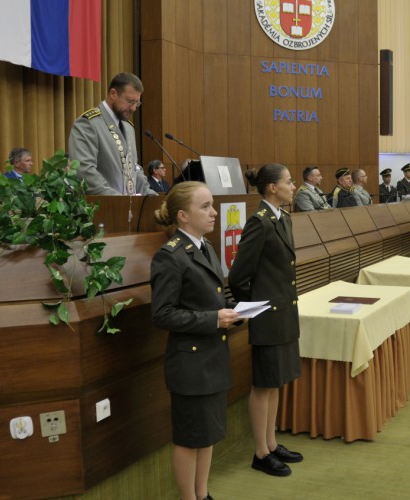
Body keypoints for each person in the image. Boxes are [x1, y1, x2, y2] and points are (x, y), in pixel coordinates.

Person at [150, 181, 241, 500]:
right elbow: (162, 314)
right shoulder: (170, 256)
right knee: (190, 438)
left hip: (212, 356)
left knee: (207, 434)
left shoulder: (206, 247)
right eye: (205, 207)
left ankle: (202, 494)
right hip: (190, 364)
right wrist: (213, 319)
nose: (214, 212)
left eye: (212, 204)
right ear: (183, 216)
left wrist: (229, 313)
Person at [228, 164, 304, 477]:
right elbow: (238, 276)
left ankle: (272, 443)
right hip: (268, 315)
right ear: (271, 187)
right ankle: (260, 452)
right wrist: (256, 308)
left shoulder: (281, 218)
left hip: (284, 312)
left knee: (276, 382)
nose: (293, 186)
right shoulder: (259, 222)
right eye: (288, 181)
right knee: (263, 385)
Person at [68, 72, 156, 195]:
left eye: (137, 103)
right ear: (113, 94)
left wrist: (150, 196)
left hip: (126, 209)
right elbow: (84, 171)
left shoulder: (128, 127)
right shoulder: (88, 124)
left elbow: (134, 170)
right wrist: (119, 201)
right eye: (130, 101)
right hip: (102, 209)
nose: (133, 108)